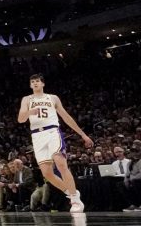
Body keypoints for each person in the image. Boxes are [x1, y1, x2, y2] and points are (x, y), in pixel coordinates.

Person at [17, 73, 92, 213]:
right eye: (32, 81)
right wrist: (30, 111)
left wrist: (83, 135)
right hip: (37, 135)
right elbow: (20, 119)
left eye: (37, 81)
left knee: (61, 163)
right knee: (47, 174)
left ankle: (75, 200)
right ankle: (70, 192)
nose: (35, 83)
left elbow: (66, 117)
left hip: (52, 132)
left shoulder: (52, 98)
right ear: (30, 85)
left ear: (43, 84)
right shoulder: (27, 99)